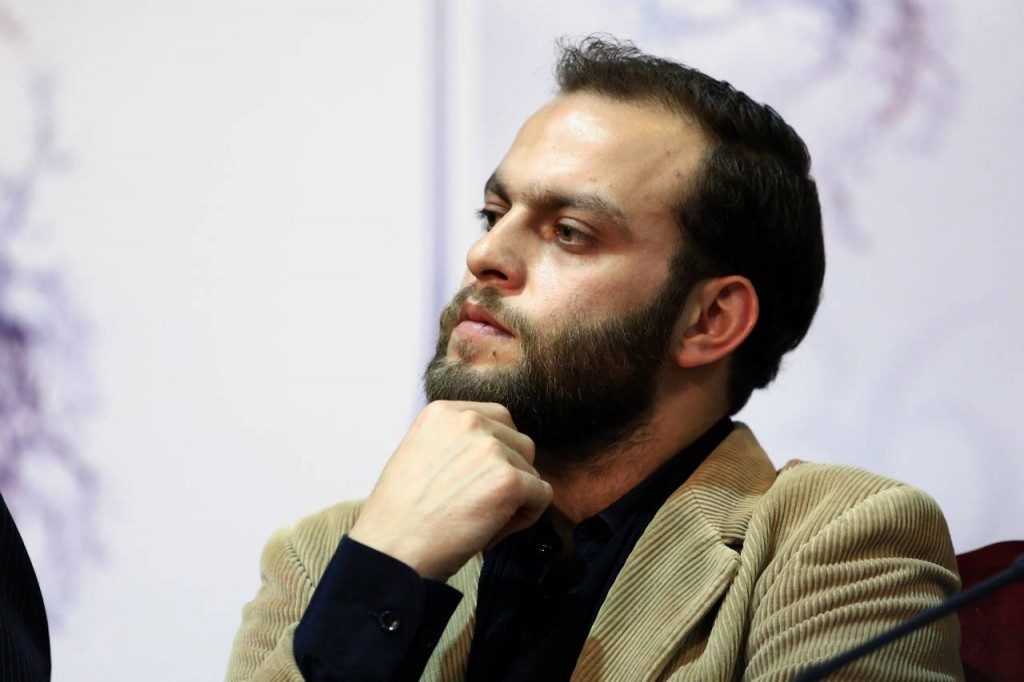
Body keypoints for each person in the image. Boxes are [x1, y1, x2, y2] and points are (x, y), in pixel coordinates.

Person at [226, 37, 962, 681]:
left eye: (569, 232)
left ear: (709, 320)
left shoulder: (834, 541)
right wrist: (385, 578)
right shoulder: (328, 556)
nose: (486, 253)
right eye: (494, 214)